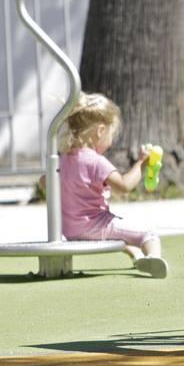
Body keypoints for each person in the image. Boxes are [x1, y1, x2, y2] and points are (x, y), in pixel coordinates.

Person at [58, 92, 169, 278]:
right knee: (147, 233)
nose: (110, 141)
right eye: (111, 134)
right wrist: (142, 164)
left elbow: (44, 182)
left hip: (69, 229)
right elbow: (124, 186)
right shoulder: (95, 162)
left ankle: (136, 254)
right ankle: (154, 258)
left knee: (121, 232)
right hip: (95, 227)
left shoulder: (63, 159)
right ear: (100, 131)